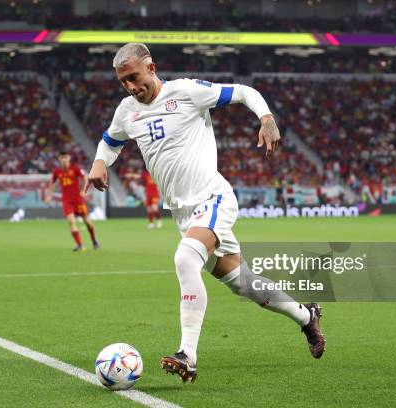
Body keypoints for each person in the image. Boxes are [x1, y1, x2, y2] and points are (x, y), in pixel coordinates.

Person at [85, 43, 325, 383]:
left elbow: (243, 92)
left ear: (151, 68)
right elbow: (111, 140)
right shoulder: (127, 110)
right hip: (184, 214)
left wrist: (266, 118)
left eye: (134, 77)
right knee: (243, 283)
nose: (130, 86)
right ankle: (306, 316)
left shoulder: (185, 92)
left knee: (185, 260)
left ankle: (188, 355)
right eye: (123, 81)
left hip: (212, 198)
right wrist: (98, 164)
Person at [46, 151, 99, 251]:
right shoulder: (57, 171)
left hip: (78, 200)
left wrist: (84, 190)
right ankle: (80, 245)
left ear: (69, 158)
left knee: (87, 221)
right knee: (71, 222)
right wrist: (49, 195)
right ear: (59, 159)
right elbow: (52, 182)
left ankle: (94, 240)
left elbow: (85, 178)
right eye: (62, 157)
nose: (63, 159)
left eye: (65, 157)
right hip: (67, 200)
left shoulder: (75, 168)